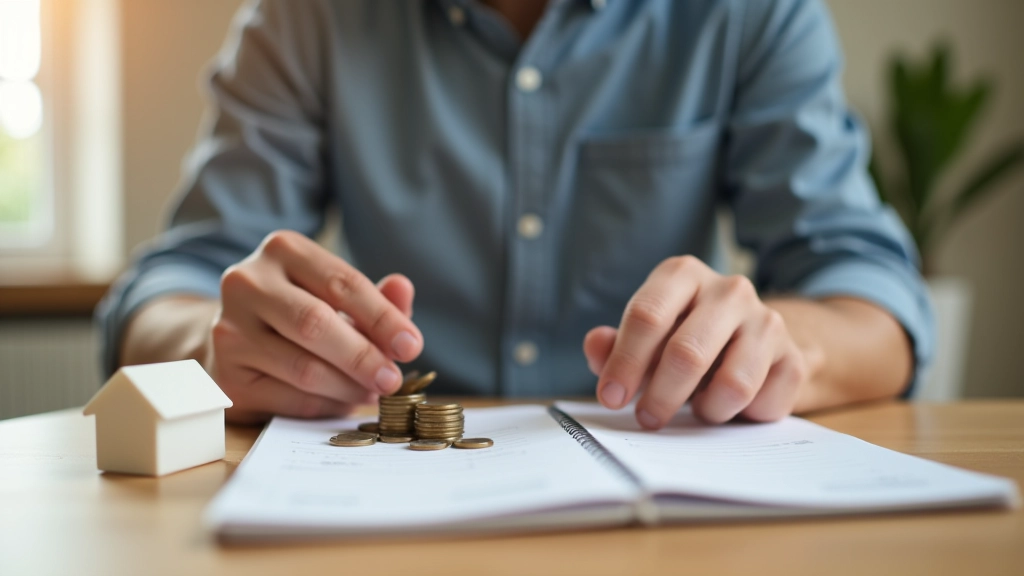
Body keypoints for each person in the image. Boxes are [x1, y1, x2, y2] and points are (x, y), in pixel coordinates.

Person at [97, 0, 933, 429]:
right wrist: (210, 344)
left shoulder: (749, 12)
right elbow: (166, 290)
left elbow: (877, 303)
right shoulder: (309, 14)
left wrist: (786, 347)